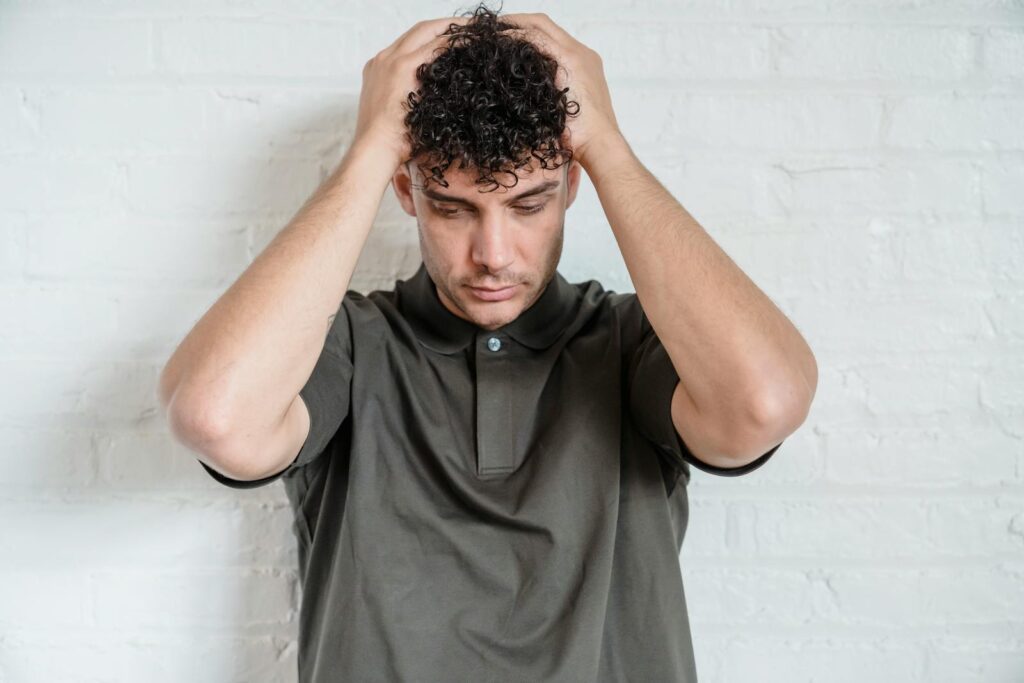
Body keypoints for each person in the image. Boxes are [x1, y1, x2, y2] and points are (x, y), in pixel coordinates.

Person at [158, 4, 818, 681]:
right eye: (453, 207)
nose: (493, 255)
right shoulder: (348, 346)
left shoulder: (631, 342)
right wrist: (371, 148)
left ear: (572, 185)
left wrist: (608, 147)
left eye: (529, 204)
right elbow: (217, 415)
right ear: (406, 191)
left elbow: (764, 401)